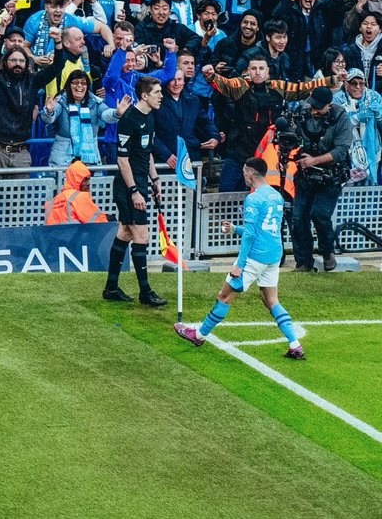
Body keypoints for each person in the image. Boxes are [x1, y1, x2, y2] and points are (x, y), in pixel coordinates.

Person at [175, 156, 304, 360]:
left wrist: (239, 265)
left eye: (244, 170)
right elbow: (265, 228)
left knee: (223, 296)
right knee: (271, 300)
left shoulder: (253, 198)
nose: (243, 174)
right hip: (273, 255)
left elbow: (252, 235)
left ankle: (199, 335)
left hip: (254, 256)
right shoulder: (275, 195)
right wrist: (235, 229)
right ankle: (295, 344)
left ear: (251, 173)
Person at [103, 75, 167, 307]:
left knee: (125, 233)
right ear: (144, 95)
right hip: (128, 186)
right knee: (141, 235)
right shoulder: (129, 118)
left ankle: (111, 287)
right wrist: (134, 191)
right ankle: (145, 292)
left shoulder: (150, 117)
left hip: (140, 182)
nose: (161, 96)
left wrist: (155, 179)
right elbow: (123, 160)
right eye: (157, 92)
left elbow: (146, 152)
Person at [289, 87, 354, 272]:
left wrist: (314, 161)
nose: (313, 111)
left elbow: (341, 151)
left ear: (329, 105)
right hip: (305, 175)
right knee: (298, 217)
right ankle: (303, 262)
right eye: (312, 106)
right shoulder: (303, 112)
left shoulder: (341, 118)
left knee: (319, 214)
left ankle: (327, 252)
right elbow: (292, 132)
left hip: (331, 175)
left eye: (318, 108)